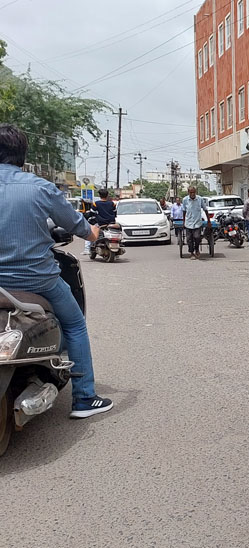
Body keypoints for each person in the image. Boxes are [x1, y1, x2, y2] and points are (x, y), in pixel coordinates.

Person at [0, 124, 113, 418]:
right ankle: (85, 398)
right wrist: (93, 231)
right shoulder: (39, 187)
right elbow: (81, 228)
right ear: (22, 155)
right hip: (38, 281)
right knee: (75, 325)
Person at [182, 186, 210, 259]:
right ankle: (191, 253)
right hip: (188, 223)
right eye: (191, 192)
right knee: (189, 239)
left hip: (197, 222)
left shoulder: (200, 199)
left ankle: (197, 249)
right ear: (188, 193)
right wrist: (183, 221)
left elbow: (205, 210)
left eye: (194, 192)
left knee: (197, 237)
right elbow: (184, 211)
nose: (192, 194)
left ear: (195, 192)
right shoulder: (185, 200)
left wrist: (209, 221)